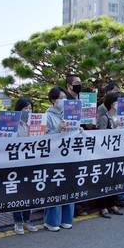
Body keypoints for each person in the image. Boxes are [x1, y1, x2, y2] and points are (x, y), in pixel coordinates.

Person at [43, 87, 77, 231]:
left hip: (69, 155)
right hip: (54, 156)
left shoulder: (71, 113)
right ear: (53, 100)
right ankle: (52, 221)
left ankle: (67, 219)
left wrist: (79, 130)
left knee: (68, 186)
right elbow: (43, 137)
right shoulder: (47, 115)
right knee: (55, 187)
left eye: (65, 98)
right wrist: (58, 129)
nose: (63, 101)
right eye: (60, 98)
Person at [95, 92, 124, 218]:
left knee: (114, 179)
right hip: (105, 153)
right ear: (112, 102)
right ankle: (103, 207)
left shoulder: (122, 116)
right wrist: (112, 127)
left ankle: (112, 204)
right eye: (118, 101)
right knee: (105, 180)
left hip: (118, 151)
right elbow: (100, 134)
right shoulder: (104, 116)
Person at [12, 98, 38, 235]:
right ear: (18, 110)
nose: (28, 111)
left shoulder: (36, 124)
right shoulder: (13, 124)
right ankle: (17, 221)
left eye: (30, 108)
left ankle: (27, 220)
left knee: (29, 192)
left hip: (31, 162)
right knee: (17, 193)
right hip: (17, 163)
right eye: (25, 109)